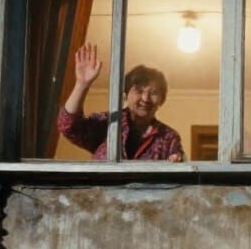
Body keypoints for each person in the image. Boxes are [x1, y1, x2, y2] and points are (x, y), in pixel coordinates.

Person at [57, 43, 185, 161]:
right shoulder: (108, 122)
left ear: (162, 100)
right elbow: (68, 126)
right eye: (139, 91)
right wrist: (82, 84)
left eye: (153, 93)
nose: (145, 99)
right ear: (125, 96)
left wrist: (177, 163)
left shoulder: (168, 137)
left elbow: (179, 170)